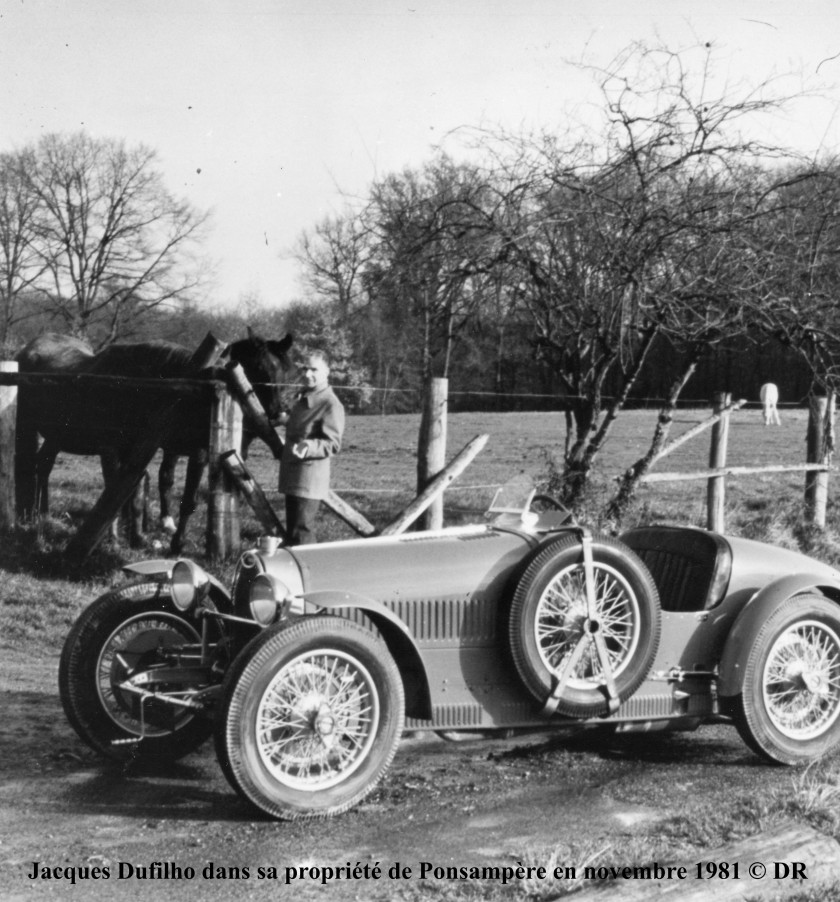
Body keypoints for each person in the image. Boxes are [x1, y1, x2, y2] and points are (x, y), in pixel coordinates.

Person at [278, 350, 345, 544]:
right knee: (293, 532)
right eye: (305, 368)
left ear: (327, 371)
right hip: (293, 474)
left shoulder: (330, 403)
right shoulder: (304, 397)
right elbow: (304, 426)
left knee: (301, 533)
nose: (307, 374)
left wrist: (309, 446)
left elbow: (333, 444)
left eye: (313, 369)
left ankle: (309, 572)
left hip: (308, 478)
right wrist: (286, 421)